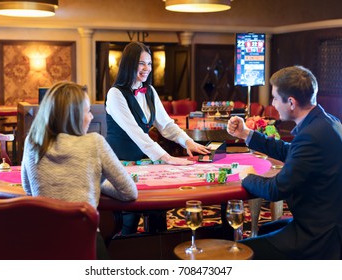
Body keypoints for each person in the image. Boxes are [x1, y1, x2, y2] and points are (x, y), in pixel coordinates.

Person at [227, 65, 342, 259]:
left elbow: (276, 190)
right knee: (265, 230)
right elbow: (291, 151)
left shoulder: (311, 135)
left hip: (320, 237)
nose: (273, 104)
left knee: (239, 253)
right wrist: (246, 134)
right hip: (324, 221)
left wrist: (246, 176)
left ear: (291, 102)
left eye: (274, 98)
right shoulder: (327, 122)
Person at [21, 81, 138, 258]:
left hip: (42, 244)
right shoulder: (94, 142)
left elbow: (29, 189)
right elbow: (129, 192)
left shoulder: (32, 142)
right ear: (73, 116)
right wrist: (96, 183)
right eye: (87, 111)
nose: (91, 117)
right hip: (84, 240)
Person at [105, 41, 210, 234]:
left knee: (157, 208)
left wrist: (188, 141)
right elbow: (136, 133)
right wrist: (168, 158)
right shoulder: (115, 94)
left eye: (149, 64)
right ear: (129, 64)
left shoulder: (150, 91)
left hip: (144, 161)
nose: (147, 69)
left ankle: (158, 250)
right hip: (121, 163)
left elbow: (166, 125)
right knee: (129, 216)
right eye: (141, 63)